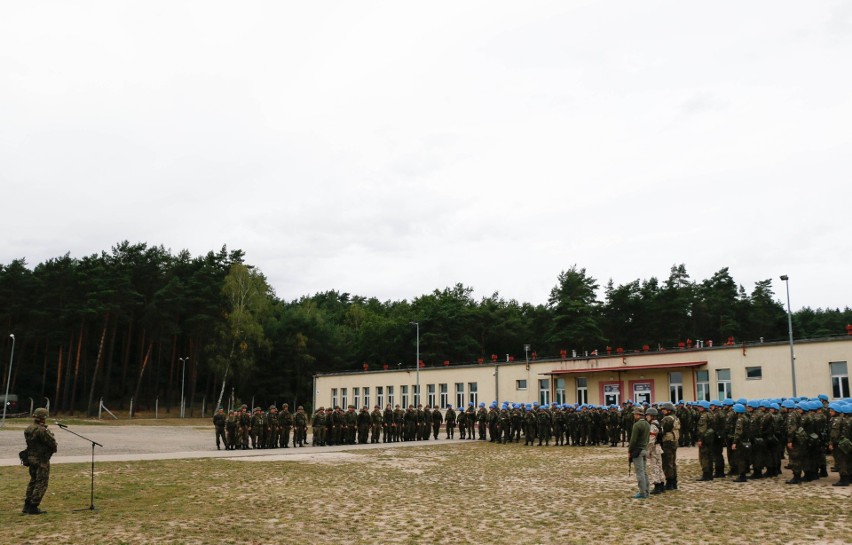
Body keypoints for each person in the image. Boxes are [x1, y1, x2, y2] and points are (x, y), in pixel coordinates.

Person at [23, 407, 57, 515]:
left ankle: (27, 505)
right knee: (42, 482)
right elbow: (52, 443)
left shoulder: (29, 428)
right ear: (43, 418)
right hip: (41, 459)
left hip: (31, 458)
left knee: (33, 481)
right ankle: (34, 506)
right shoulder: (42, 430)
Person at [628, 406, 650, 499]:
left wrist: (629, 450)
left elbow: (633, 440)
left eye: (635, 414)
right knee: (644, 472)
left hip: (638, 450)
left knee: (640, 472)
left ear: (638, 415)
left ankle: (642, 492)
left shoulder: (637, 425)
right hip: (644, 449)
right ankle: (646, 491)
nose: (634, 415)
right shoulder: (647, 424)